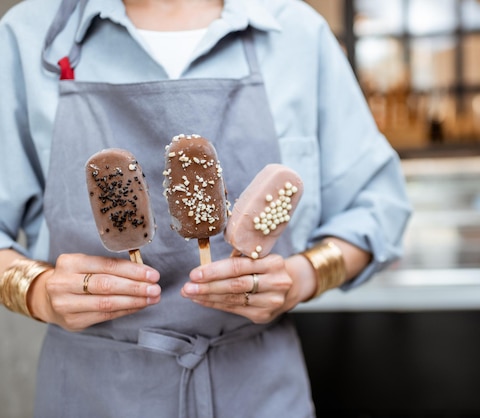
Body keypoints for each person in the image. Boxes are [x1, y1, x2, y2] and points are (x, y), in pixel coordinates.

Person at [0, 0, 411, 417]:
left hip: (259, 391)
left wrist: (301, 276)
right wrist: (33, 289)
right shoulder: (28, 35)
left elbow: (379, 208)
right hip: (92, 393)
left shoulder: (296, 31)